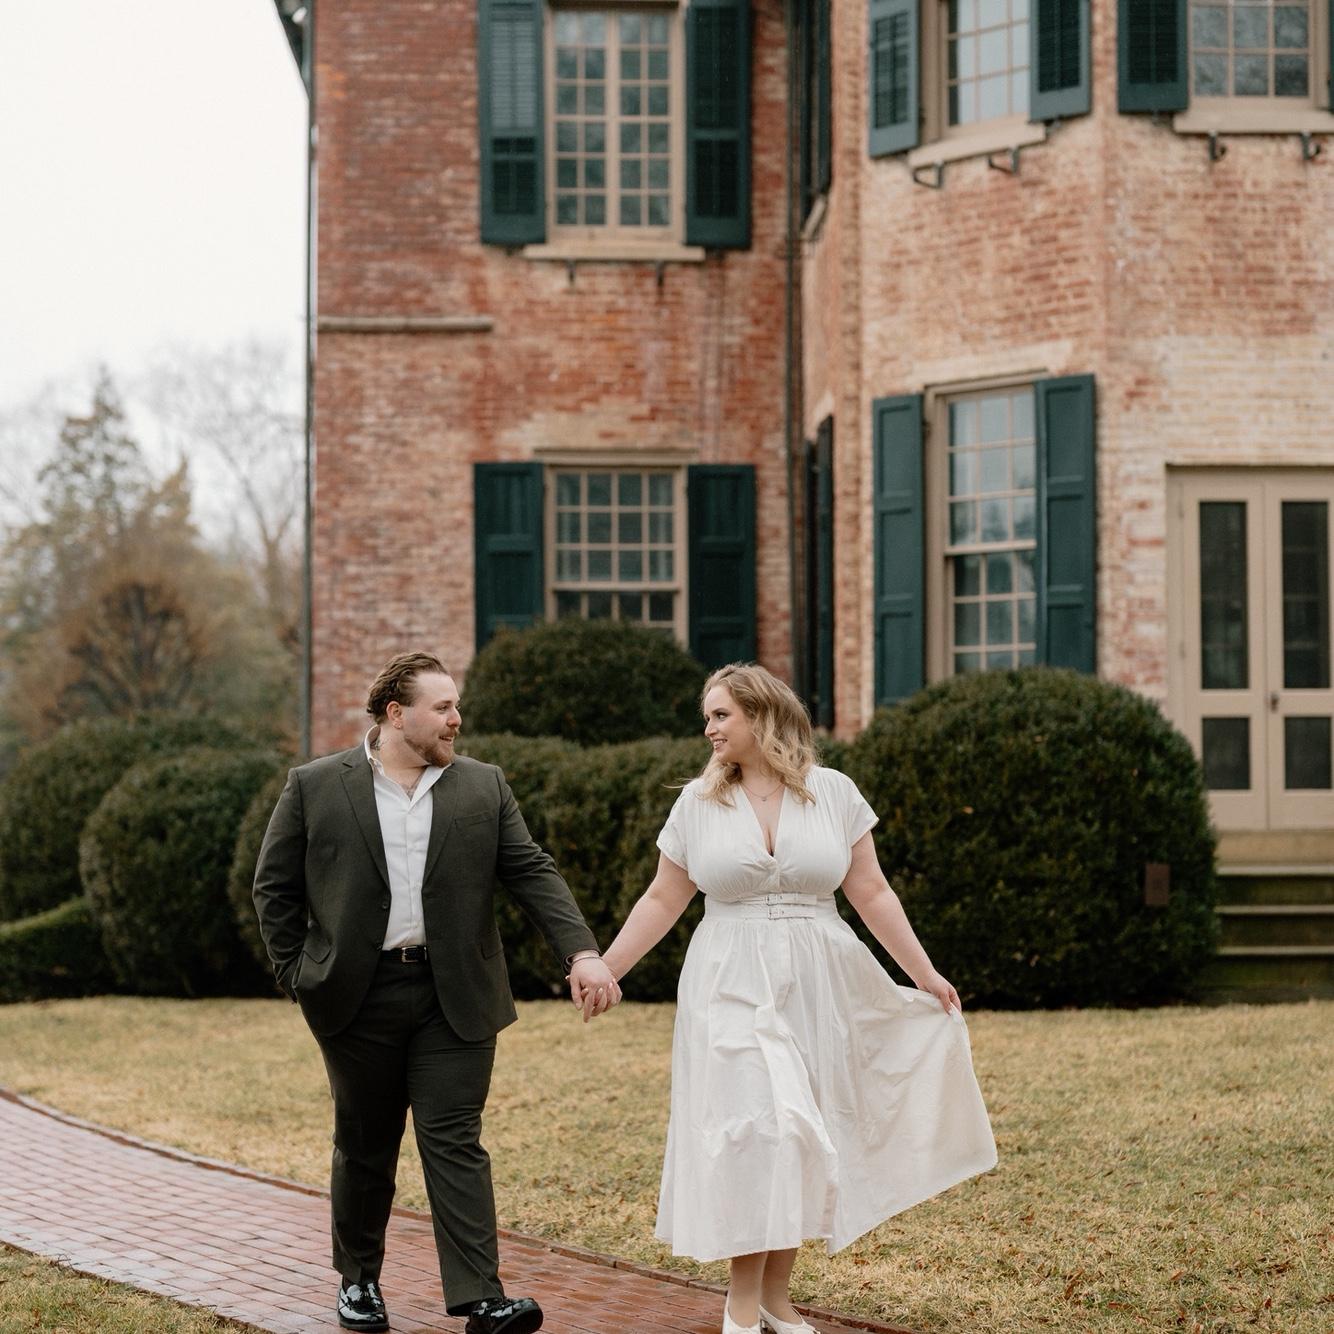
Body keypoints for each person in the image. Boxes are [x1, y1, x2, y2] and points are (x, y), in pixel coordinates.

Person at [588, 663, 997, 1334]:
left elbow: (871, 890)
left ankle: (776, 1299)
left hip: (820, 977)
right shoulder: (697, 802)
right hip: (729, 978)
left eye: (721, 715)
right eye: (708, 716)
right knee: (758, 1131)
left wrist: (924, 974)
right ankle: (741, 1305)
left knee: (804, 1133)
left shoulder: (833, 792)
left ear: (761, 715)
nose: (709, 728)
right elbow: (663, 896)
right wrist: (608, 968)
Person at [252, 651, 620, 1334]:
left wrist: (582, 952)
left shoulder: (483, 785)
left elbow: (531, 871)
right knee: (365, 1141)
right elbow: (274, 888)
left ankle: (482, 1298)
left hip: (457, 995)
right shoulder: (315, 785)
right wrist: (298, 974)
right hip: (355, 996)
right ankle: (359, 1281)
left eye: (456, 705)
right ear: (397, 714)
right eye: (443, 706)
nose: (457, 718)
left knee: (454, 1140)